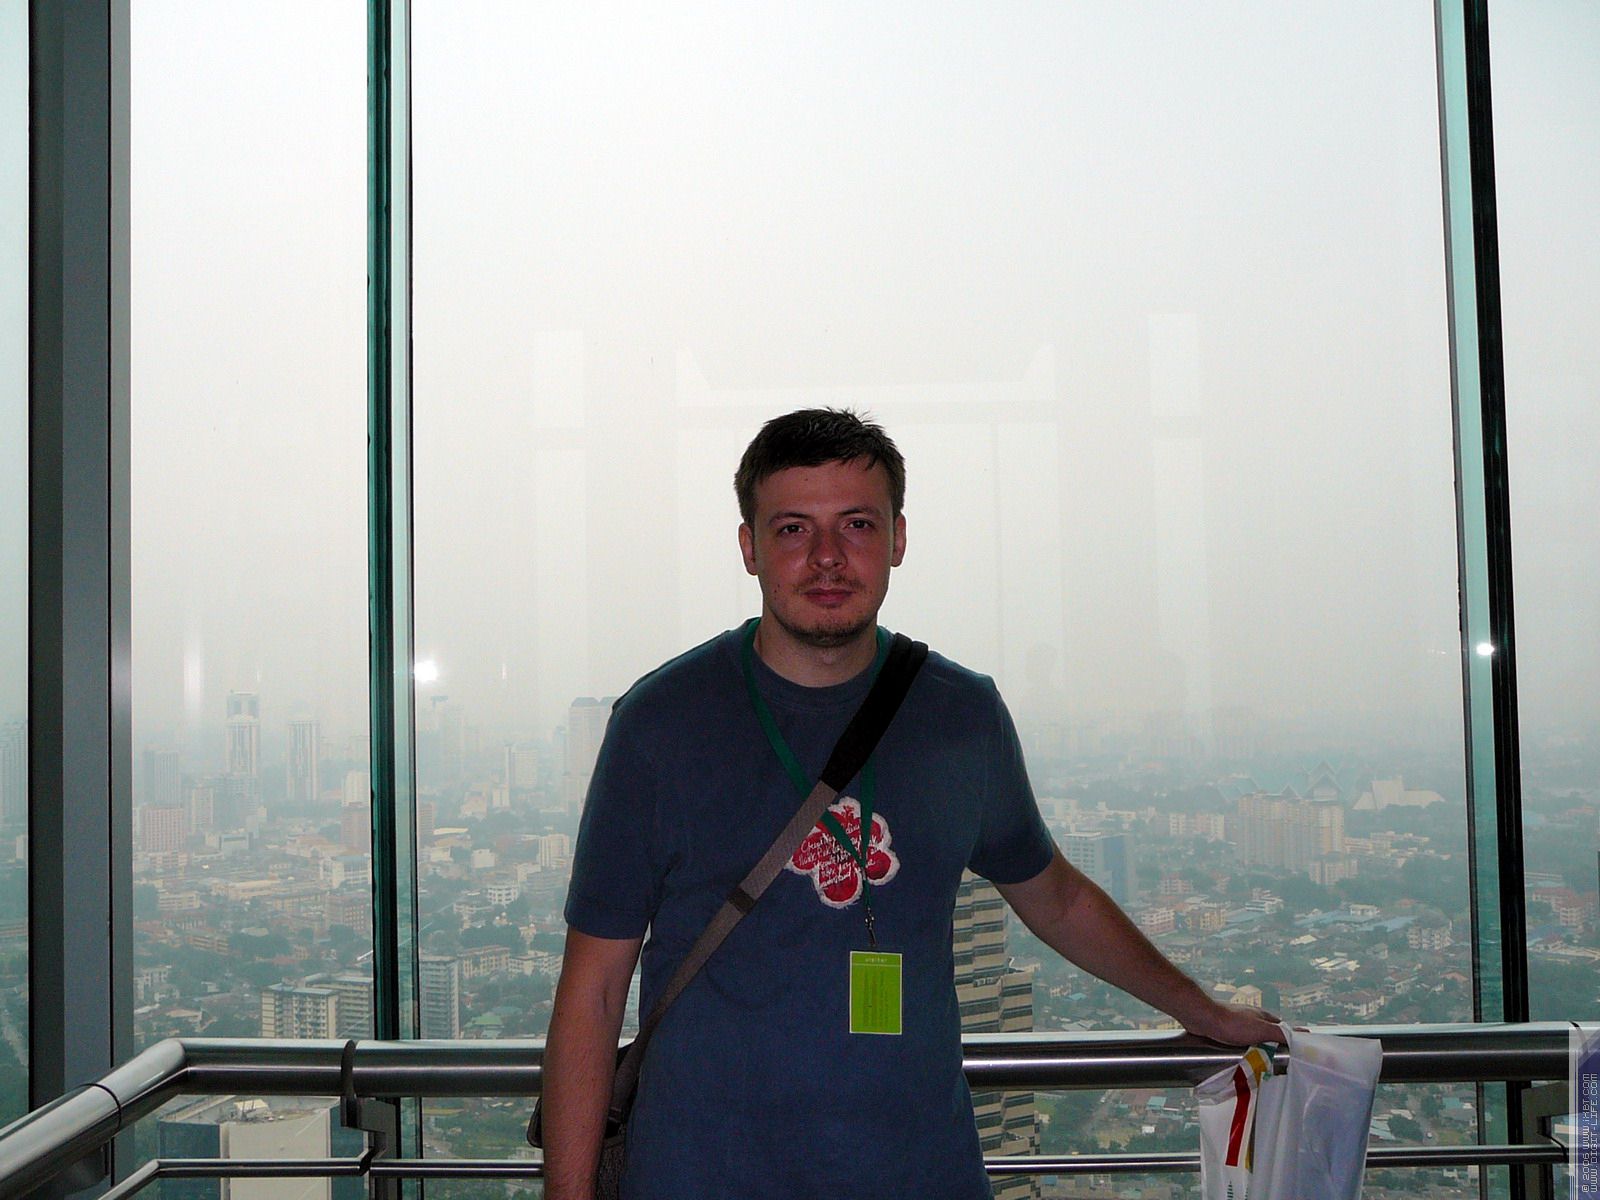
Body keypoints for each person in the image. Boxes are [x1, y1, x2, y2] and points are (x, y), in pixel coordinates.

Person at [542, 408, 1282, 1200]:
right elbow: (594, 989)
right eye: (793, 529)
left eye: (857, 524)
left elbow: (1057, 898)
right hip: (702, 1173)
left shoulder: (960, 716)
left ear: (897, 538)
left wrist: (1202, 1010)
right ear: (749, 548)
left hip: (916, 1169)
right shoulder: (662, 723)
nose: (828, 556)